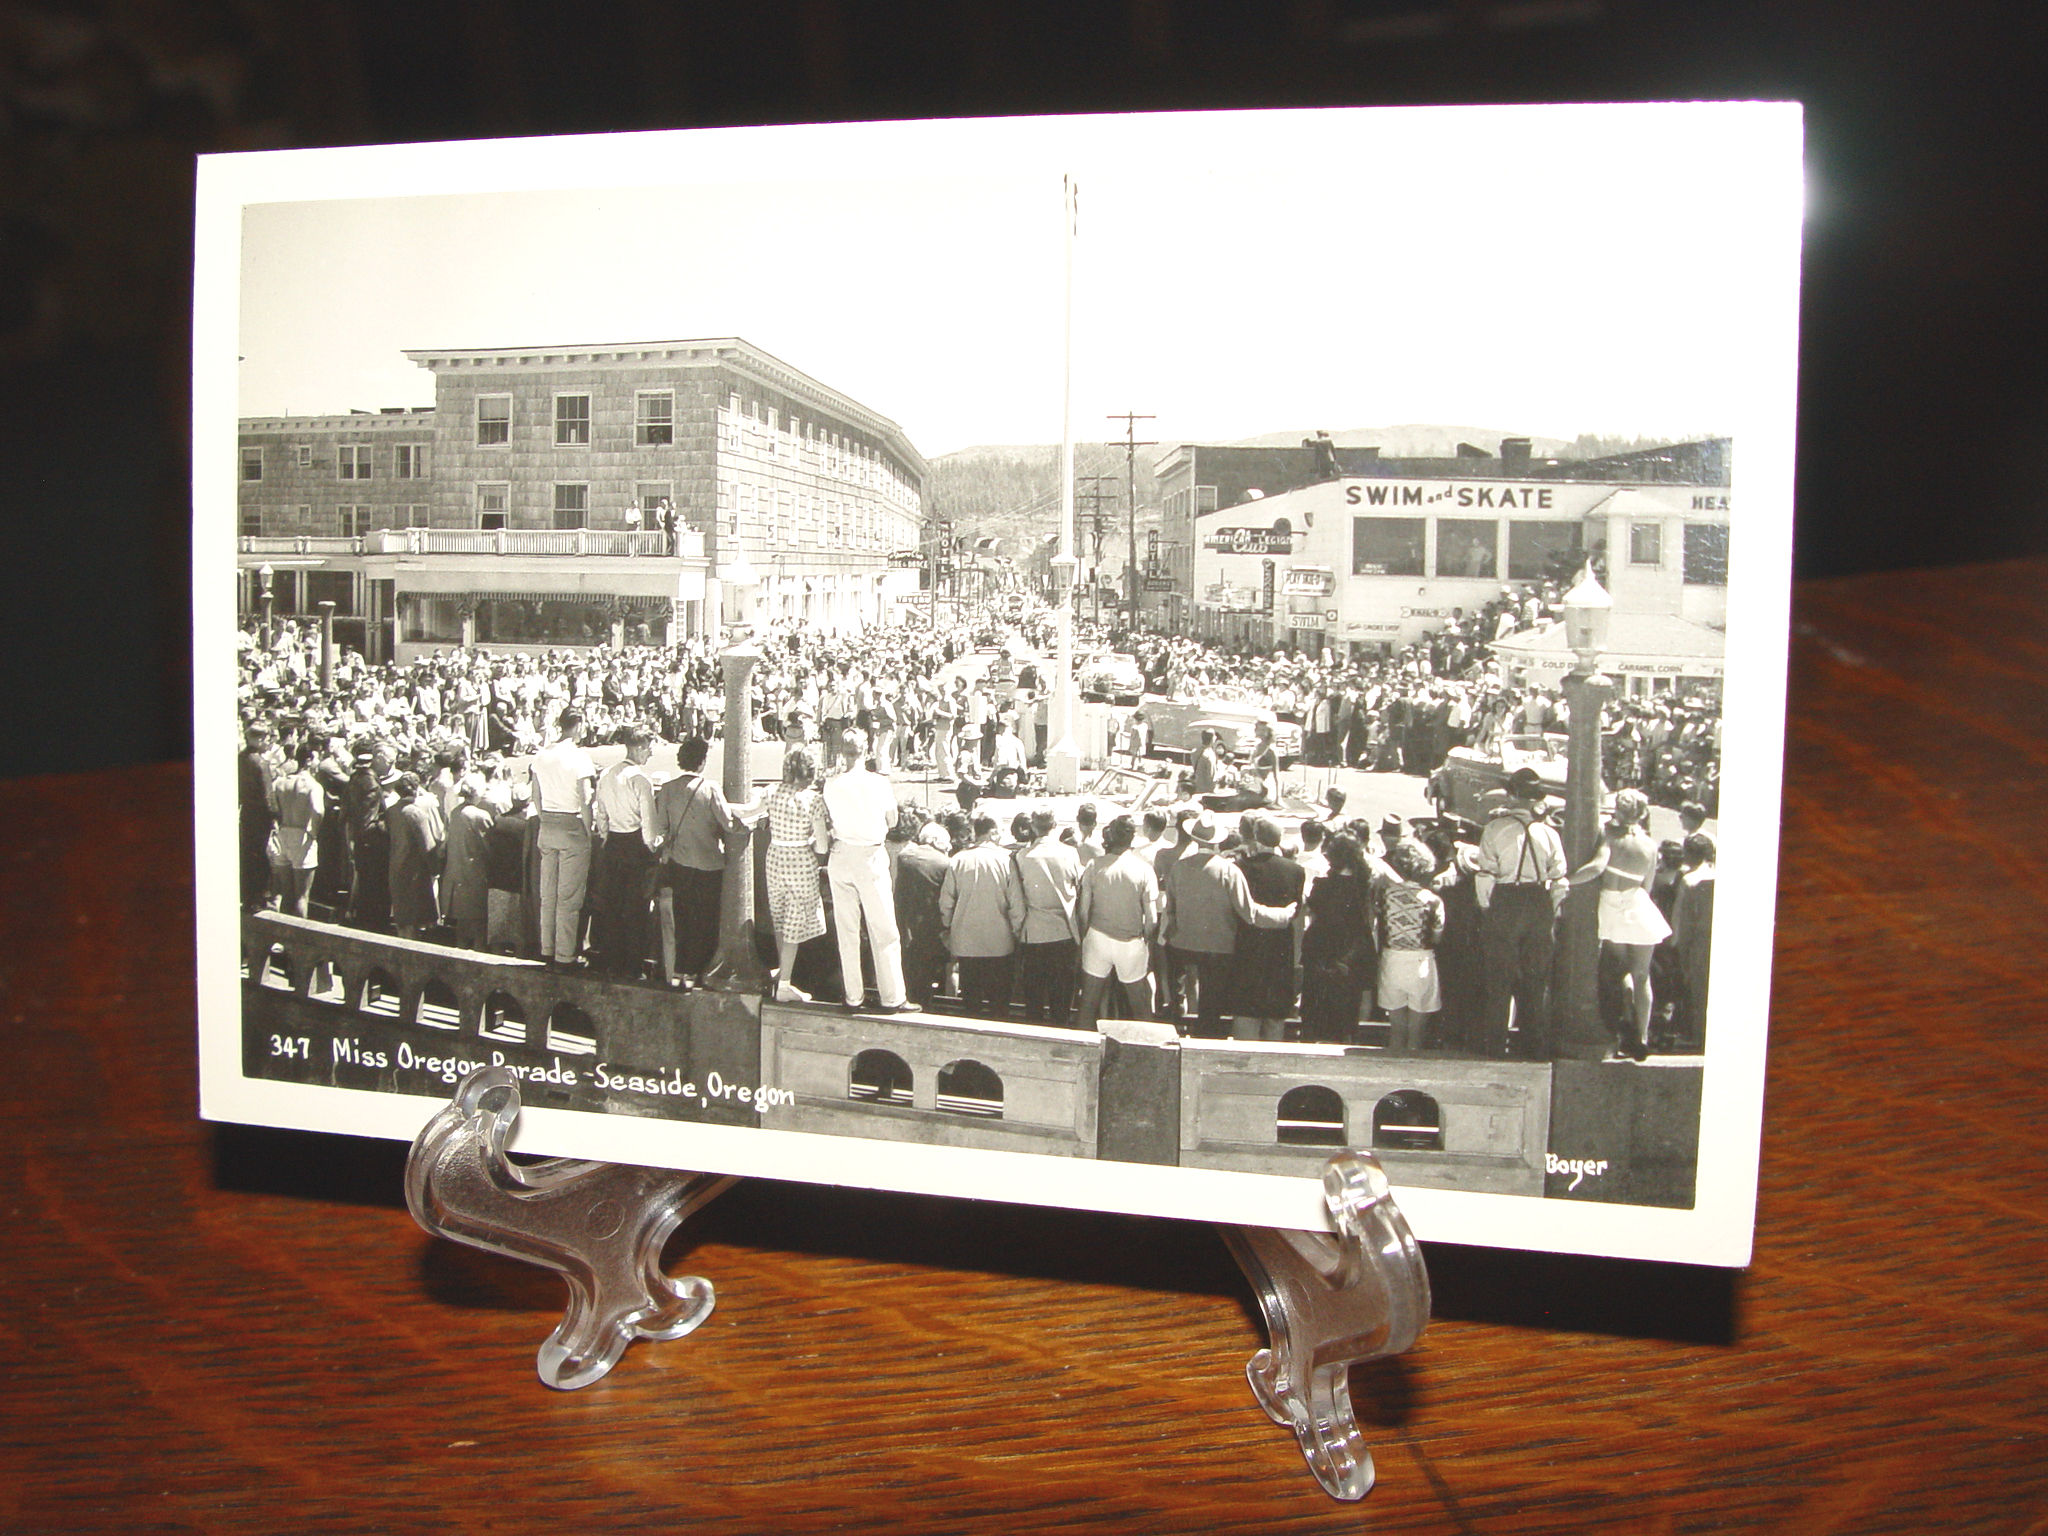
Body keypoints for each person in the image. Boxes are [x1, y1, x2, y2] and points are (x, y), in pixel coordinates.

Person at [1159, 814, 1296, 1038]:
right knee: (1211, 1007)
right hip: (1218, 948)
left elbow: (1171, 910)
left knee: (1183, 990)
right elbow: (1250, 914)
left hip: (1183, 945)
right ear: (1217, 841)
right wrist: (1284, 915)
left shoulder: (1179, 867)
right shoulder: (1229, 871)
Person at [1568, 788, 1672, 1060]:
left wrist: (1566, 880)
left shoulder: (1609, 836)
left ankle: (1623, 1027)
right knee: (1641, 974)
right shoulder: (1650, 845)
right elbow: (1647, 887)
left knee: (1618, 970)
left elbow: (1597, 867)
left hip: (1612, 906)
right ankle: (1643, 1035)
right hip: (1638, 905)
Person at [1475, 766, 1567, 1059]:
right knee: (1536, 978)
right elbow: (1560, 878)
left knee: (1499, 979)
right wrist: (1549, 910)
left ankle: (1495, 1045)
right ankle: (1534, 1046)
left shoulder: (1495, 828)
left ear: (1512, 795)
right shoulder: (1549, 834)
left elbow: (1485, 875)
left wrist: (1489, 908)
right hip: (1538, 901)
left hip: (1506, 900)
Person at [822, 734, 916, 1013]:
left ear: (843, 751)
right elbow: (893, 820)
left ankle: (853, 996)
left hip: (840, 855)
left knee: (847, 930)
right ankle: (892, 996)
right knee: (883, 929)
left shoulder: (831, 784)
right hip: (870, 856)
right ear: (866, 751)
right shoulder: (878, 782)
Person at [653, 735, 733, 989]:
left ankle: (680, 971)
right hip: (709, 864)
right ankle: (699, 972)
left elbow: (661, 827)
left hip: (680, 862)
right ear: (702, 761)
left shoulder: (667, 789)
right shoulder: (710, 789)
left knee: (684, 918)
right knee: (707, 921)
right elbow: (728, 823)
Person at [589, 725, 661, 978]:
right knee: (636, 909)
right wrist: (652, 846)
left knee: (613, 905)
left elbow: (601, 814)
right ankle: (632, 965)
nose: (651, 754)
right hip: (634, 846)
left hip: (614, 845)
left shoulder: (608, 774)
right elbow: (649, 824)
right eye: (649, 749)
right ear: (639, 748)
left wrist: (607, 837)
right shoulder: (641, 780)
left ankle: (612, 960)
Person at [1075, 815, 1159, 1030]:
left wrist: (1084, 940)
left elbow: (1084, 911)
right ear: (1132, 838)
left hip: (1097, 938)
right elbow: (1152, 919)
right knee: (1140, 1007)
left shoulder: (1094, 865)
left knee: (1089, 1004)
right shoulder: (1144, 869)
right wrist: (1146, 945)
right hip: (1131, 942)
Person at [761, 746, 831, 1003]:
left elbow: (748, 810)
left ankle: (783, 973)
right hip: (799, 859)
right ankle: (785, 985)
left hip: (775, 856)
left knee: (780, 917)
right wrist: (811, 839)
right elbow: (822, 847)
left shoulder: (771, 791)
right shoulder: (813, 800)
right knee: (794, 920)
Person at [529, 706, 598, 969]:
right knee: (568, 897)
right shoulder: (579, 757)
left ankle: (547, 948)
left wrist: (545, 818)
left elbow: (535, 795)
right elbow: (585, 799)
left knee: (549, 894)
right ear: (578, 724)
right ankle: (564, 955)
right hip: (571, 826)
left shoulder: (542, 754)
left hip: (548, 825)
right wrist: (588, 832)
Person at [940, 813, 1026, 1015]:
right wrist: (1016, 932)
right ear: (993, 832)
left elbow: (946, 903)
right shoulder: (1006, 860)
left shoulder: (958, 860)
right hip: (1000, 944)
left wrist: (948, 928)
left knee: (971, 1004)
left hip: (967, 943)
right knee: (999, 1005)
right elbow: (1017, 906)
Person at [1230, 813, 1306, 1042]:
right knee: (1275, 1019)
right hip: (1280, 950)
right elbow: (1297, 914)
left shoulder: (1240, 868)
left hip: (1248, 947)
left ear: (1255, 837)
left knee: (1246, 1016)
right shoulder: (1295, 871)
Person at [1299, 832, 1372, 1043]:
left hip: (1321, 954)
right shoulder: (1363, 887)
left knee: (1315, 1015)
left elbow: (1315, 917)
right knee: (1344, 1019)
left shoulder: (1322, 885)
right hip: (1350, 957)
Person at [1014, 809, 1083, 1025]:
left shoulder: (1022, 856)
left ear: (1033, 827)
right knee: (1061, 1002)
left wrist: (1018, 930)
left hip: (1033, 933)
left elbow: (1018, 899)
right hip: (1063, 932)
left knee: (1034, 1002)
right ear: (1055, 825)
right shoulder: (1070, 853)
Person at [1376, 840, 1446, 1053]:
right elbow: (1437, 937)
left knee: (1396, 1033)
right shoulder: (1433, 901)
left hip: (1392, 961)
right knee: (1416, 1036)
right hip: (1420, 963)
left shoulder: (1384, 895)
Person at [894, 815, 952, 1009]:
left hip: (905, 923)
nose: (948, 848)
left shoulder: (905, 857)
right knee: (928, 972)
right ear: (936, 841)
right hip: (931, 926)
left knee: (909, 971)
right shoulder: (944, 863)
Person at [386, 773, 444, 941]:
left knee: (402, 919)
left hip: (396, 868)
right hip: (415, 873)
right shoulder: (417, 815)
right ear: (417, 789)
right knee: (415, 921)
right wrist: (435, 869)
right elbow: (428, 846)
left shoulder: (392, 811)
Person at [266, 756, 324, 918]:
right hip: (302, 834)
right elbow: (318, 810)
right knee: (302, 896)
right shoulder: (313, 786)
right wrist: (313, 832)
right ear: (309, 761)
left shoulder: (280, 783)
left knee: (286, 892)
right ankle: (300, 940)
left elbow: (271, 808)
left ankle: (284, 936)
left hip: (283, 832)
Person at [442, 774, 494, 951]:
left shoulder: (456, 812)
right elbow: (488, 846)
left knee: (463, 924)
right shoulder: (480, 816)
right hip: (475, 873)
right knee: (479, 923)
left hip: (457, 871)